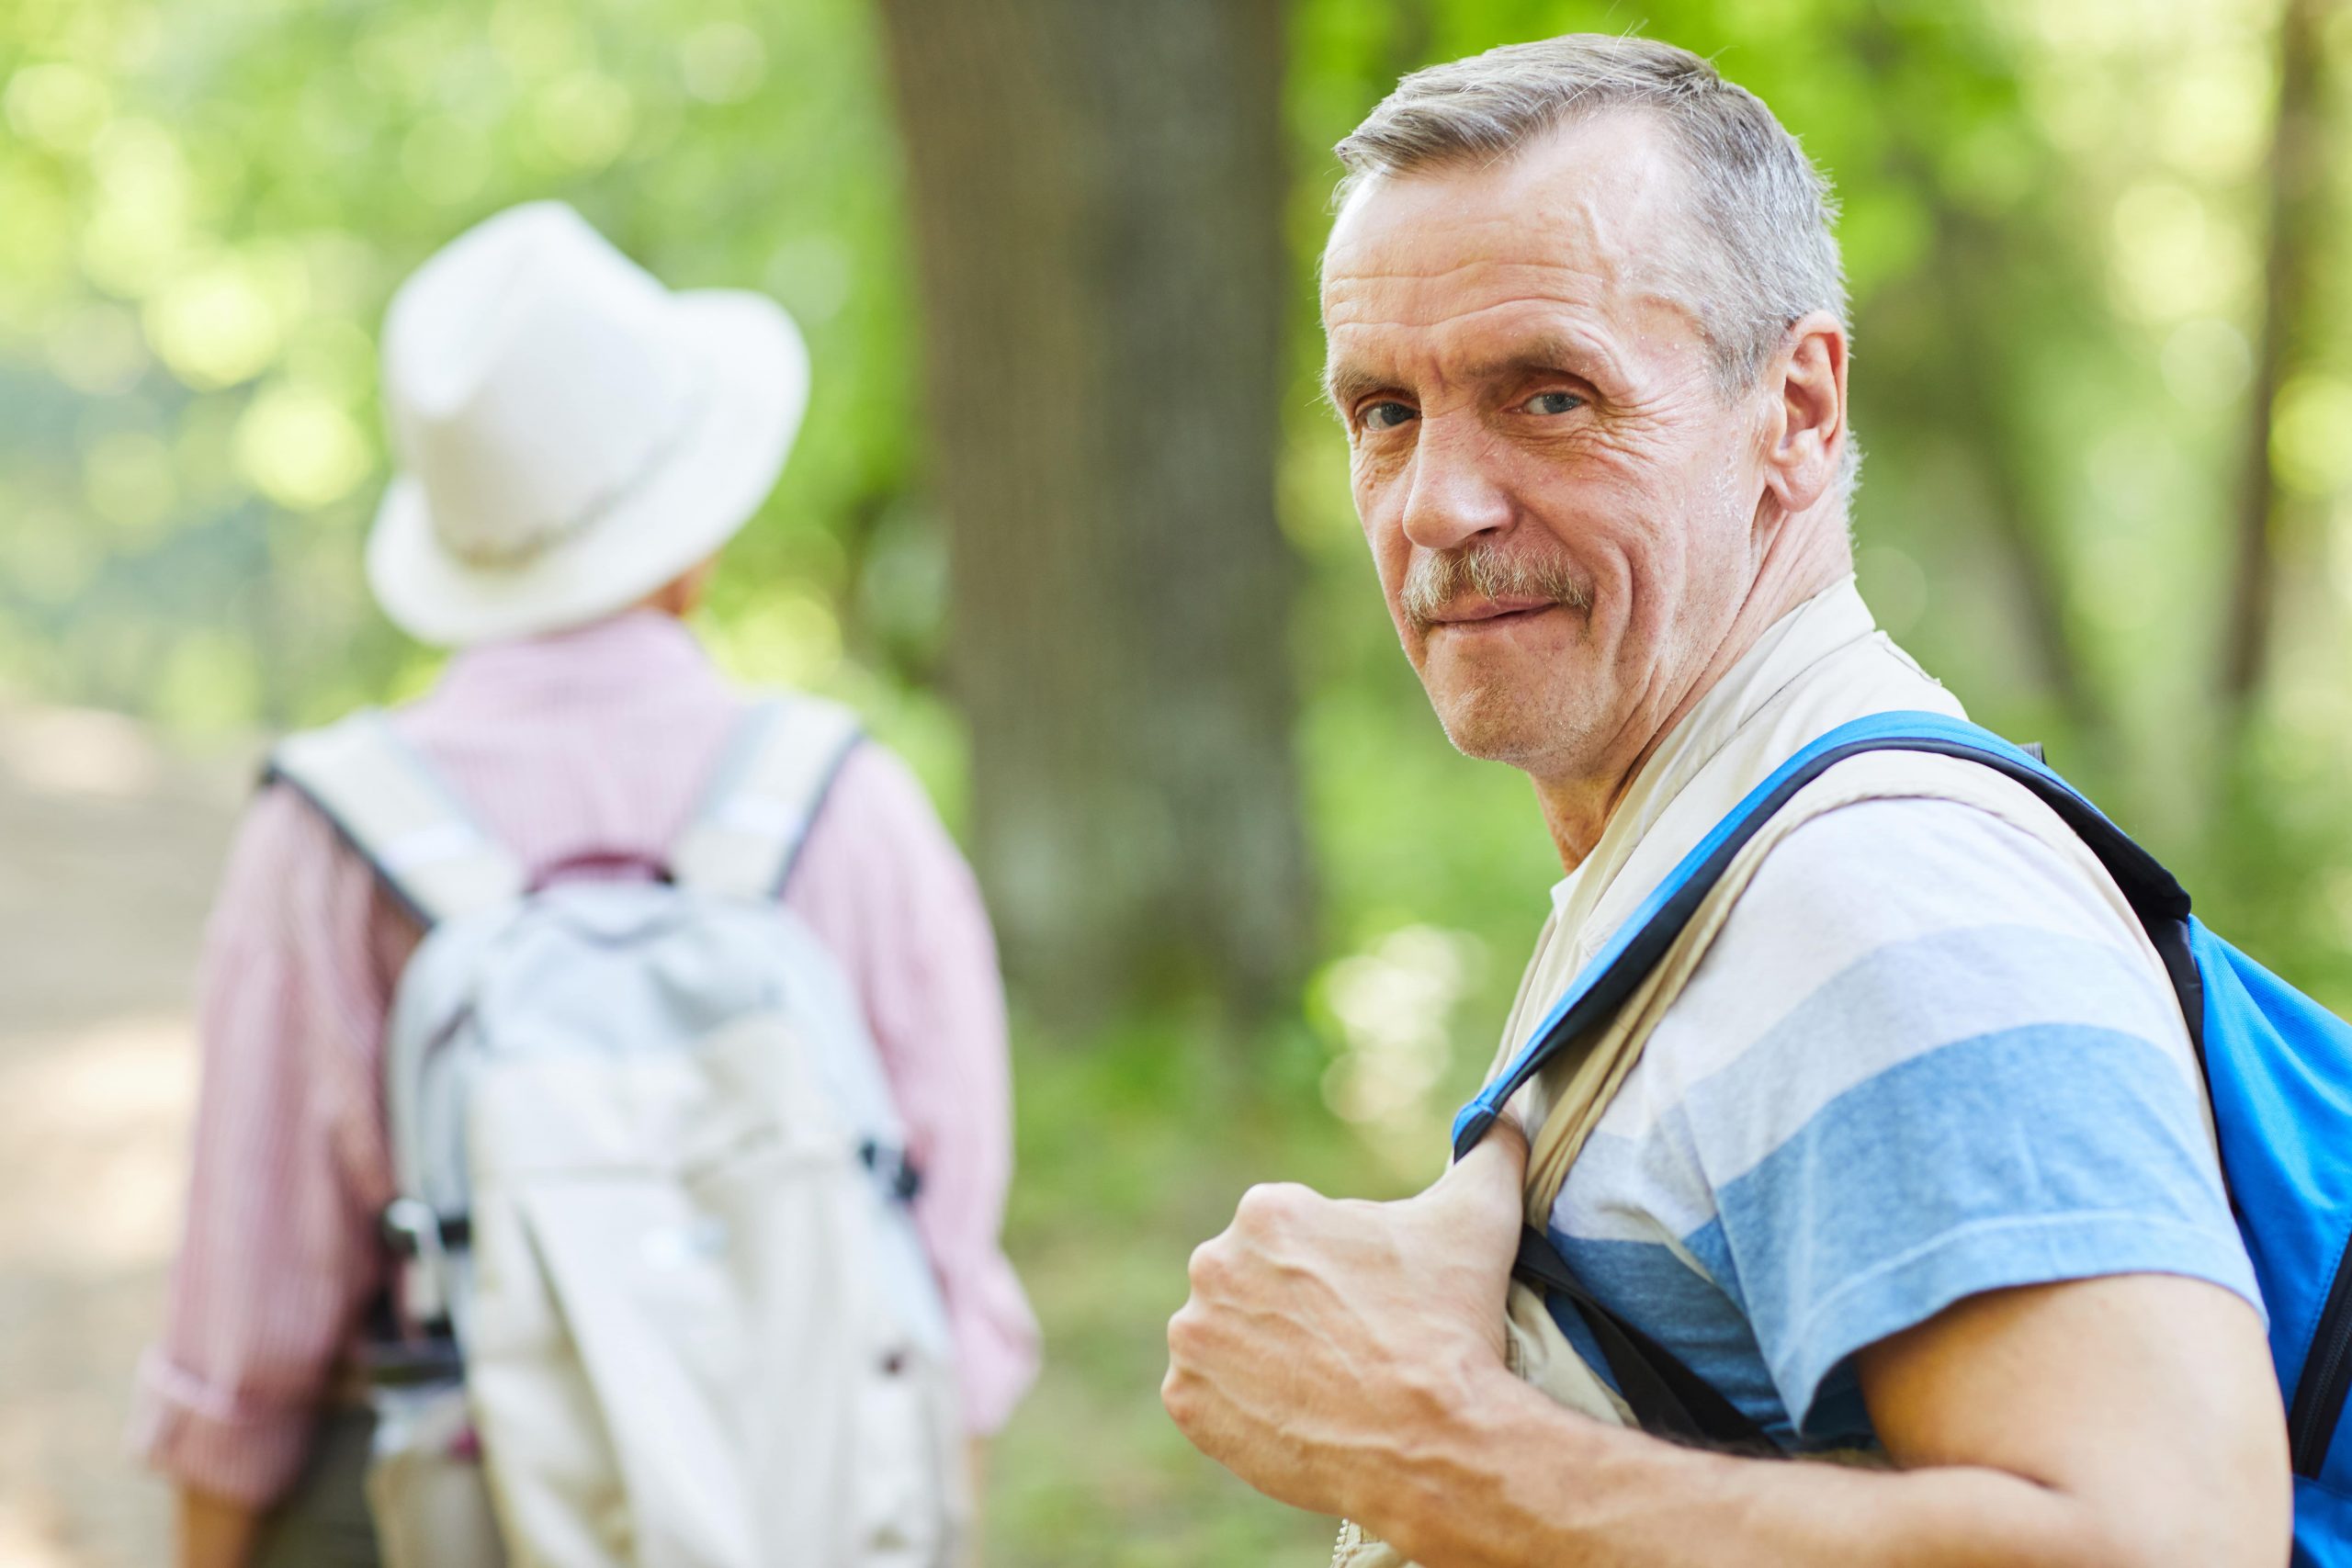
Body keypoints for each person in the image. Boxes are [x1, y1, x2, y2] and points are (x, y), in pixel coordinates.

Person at [1162, 36, 2290, 1567]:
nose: (1437, 503)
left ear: (1799, 413)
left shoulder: (1885, 898)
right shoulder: (1710, 866)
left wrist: (1423, 1443)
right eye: (1385, 413)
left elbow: (2170, 1546)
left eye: (1548, 397)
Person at [132, 202, 1039, 1568]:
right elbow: (942, 1277)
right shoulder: (847, 805)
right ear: (693, 534)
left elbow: (247, 1318)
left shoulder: (325, 838)